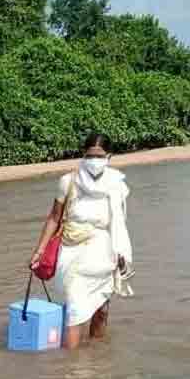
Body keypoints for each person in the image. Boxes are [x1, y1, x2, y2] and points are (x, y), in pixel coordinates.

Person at [29, 133, 134, 349]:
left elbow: (119, 224)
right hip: (73, 253)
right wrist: (39, 251)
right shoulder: (68, 182)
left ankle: (98, 358)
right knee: (75, 312)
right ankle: (72, 369)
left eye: (100, 156)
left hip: (104, 253)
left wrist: (121, 254)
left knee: (102, 310)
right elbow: (54, 218)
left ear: (109, 157)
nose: (94, 160)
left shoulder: (116, 184)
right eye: (90, 155)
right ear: (83, 155)